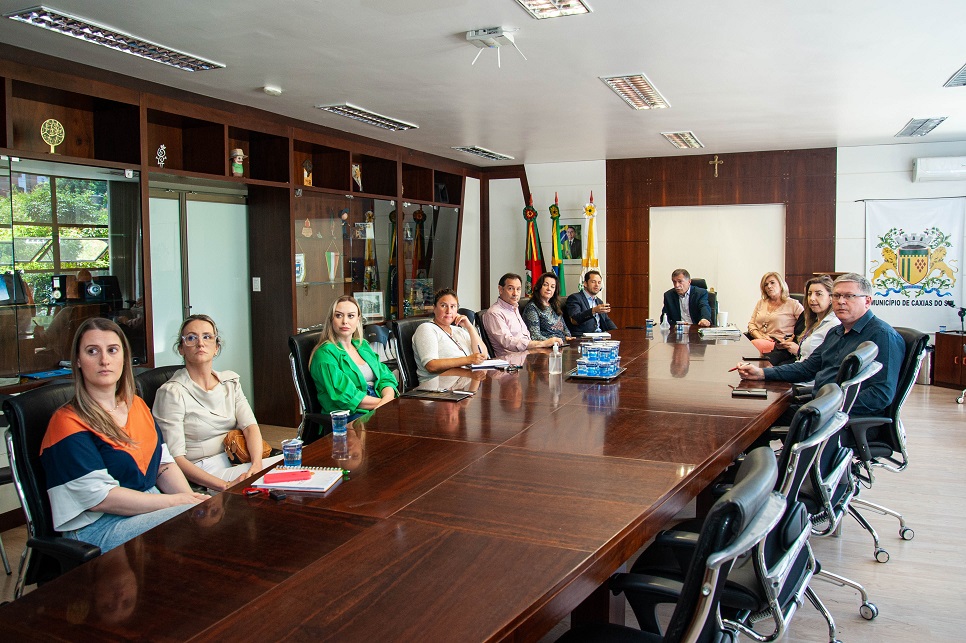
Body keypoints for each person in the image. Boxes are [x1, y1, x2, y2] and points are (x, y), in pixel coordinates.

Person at [40, 317, 205, 554]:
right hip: (100, 526)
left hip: (150, 507)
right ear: (77, 360)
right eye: (92, 351)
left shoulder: (136, 405)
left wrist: (192, 500)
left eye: (112, 350)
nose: (104, 360)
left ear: (124, 357)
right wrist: (177, 502)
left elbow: (163, 465)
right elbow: (102, 498)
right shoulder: (67, 422)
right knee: (193, 524)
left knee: (208, 516)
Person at [736, 273, 904, 418]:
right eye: (836, 296)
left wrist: (827, 406)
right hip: (821, 404)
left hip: (842, 416)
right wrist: (762, 373)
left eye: (849, 296)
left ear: (867, 301)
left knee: (761, 420)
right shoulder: (836, 332)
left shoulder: (882, 336)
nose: (841, 301)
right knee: (755, 411)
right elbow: (807, 368)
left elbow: (880, 395)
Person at [153, 314, 282, 492]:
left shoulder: (230, 382)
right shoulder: (171, 393)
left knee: (300, 463)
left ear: (216, 347)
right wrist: (226, 486)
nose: (200, 343)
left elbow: (250, 427)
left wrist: (256, 465)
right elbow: (175, 458)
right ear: (181, 348)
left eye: (207, 337)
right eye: (191, 338)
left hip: (238, 459)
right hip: (204, 471)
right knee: (285, 476)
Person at [310, 295, 398, 416]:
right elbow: (345, 396)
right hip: (349, 414)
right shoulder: (325, 354)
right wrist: (386, 403)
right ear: (331, 320)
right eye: (338, 315)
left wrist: (388, 397)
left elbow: (385, 376)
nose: (345, 321)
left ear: (358, 320)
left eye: (350, 316)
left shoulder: (362, 346)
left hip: (378, 403)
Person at [412, 288, 489, 382]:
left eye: (453, 306)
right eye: (443, 306)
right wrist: (468, 360)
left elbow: (483, 356)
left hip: (462, 383)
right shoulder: (427, 328)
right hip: (436, 386)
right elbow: (431, 366)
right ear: (434, 308)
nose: (448, 311)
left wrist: (470, 327)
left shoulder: (459, 331)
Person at [483, 273, 565, 358]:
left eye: (518, 289)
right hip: (510, 361)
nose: (515, 293)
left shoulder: (514, 308)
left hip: (527, 356)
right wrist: (542, 343)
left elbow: (525, 336)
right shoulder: (494, 313)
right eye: (510, 289)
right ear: (500, 289)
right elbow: (508, 342)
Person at [772, 275, 839, 365]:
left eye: (818, 294)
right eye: (809, 294)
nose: (812, 298)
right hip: (800, 365)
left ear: (831, 297)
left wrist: (798, 351)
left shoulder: (834, 325)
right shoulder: (813, 321)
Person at [747, 271, 804, 354]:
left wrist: (792, 339)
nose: (769, 286)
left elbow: (806, 325)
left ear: (781, 285)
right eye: (766, 285)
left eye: (772, 283)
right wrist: (759, 337)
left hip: (779, 344)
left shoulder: (793, 304)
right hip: (758, 339)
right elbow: (751, 324)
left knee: (751, 348)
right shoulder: (761, 303)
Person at [522, 272, 574, 342]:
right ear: (539, 287)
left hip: (562, 344)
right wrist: (553, 342)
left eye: (552, 287)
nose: (549, 289)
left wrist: (568, 337)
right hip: (545, 346)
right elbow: (535, 336)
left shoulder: (554, 305)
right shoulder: (532, 308)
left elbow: (564, 328)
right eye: (545, 285)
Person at [565, 270, 617, 336]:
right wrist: (594, 310)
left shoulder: (599, 301)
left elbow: (606, 321)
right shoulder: (575, 298)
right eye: (593, 282)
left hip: (600, 336)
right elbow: (575, 320)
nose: (597, 285)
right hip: (583, 337)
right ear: (585, 284)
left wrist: (616, 333)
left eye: (599, 282)